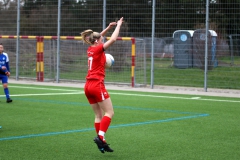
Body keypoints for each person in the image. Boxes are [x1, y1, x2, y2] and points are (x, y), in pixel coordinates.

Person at [81, 17, 123, 153]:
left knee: (98, 115)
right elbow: (113, 40)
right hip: (97, 85)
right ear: (98, 41)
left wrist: (108, 28)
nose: (102, 40)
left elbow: (98, 37)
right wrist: (118, 26)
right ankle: (100, 137)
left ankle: (101, 142)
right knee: (109, 112)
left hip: (87, 86)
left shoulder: (90, 49)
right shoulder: (99, 49)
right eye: (101, 39)